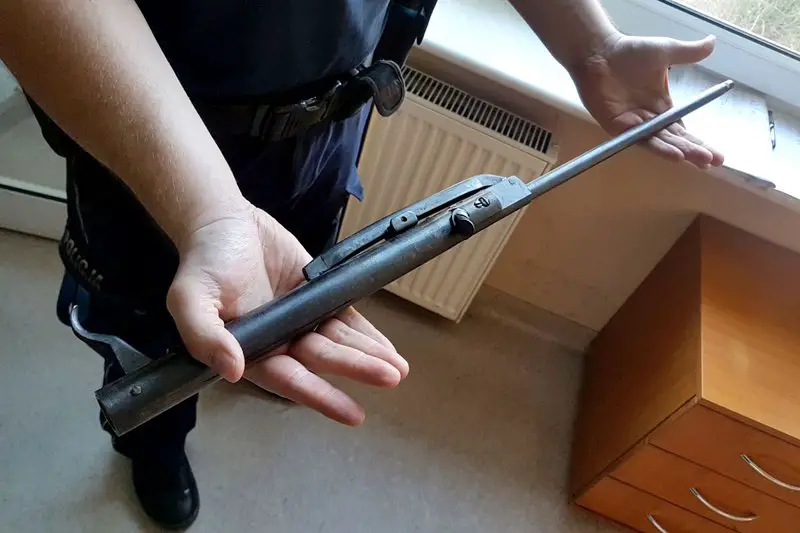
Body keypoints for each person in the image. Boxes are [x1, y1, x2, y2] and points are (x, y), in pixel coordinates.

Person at [0, 0, 724, 529]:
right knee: (151, 325)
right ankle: (154, 440)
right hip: (149, 150)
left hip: (328, 128)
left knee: (293, 289)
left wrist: (590, 43)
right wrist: (210, 212)